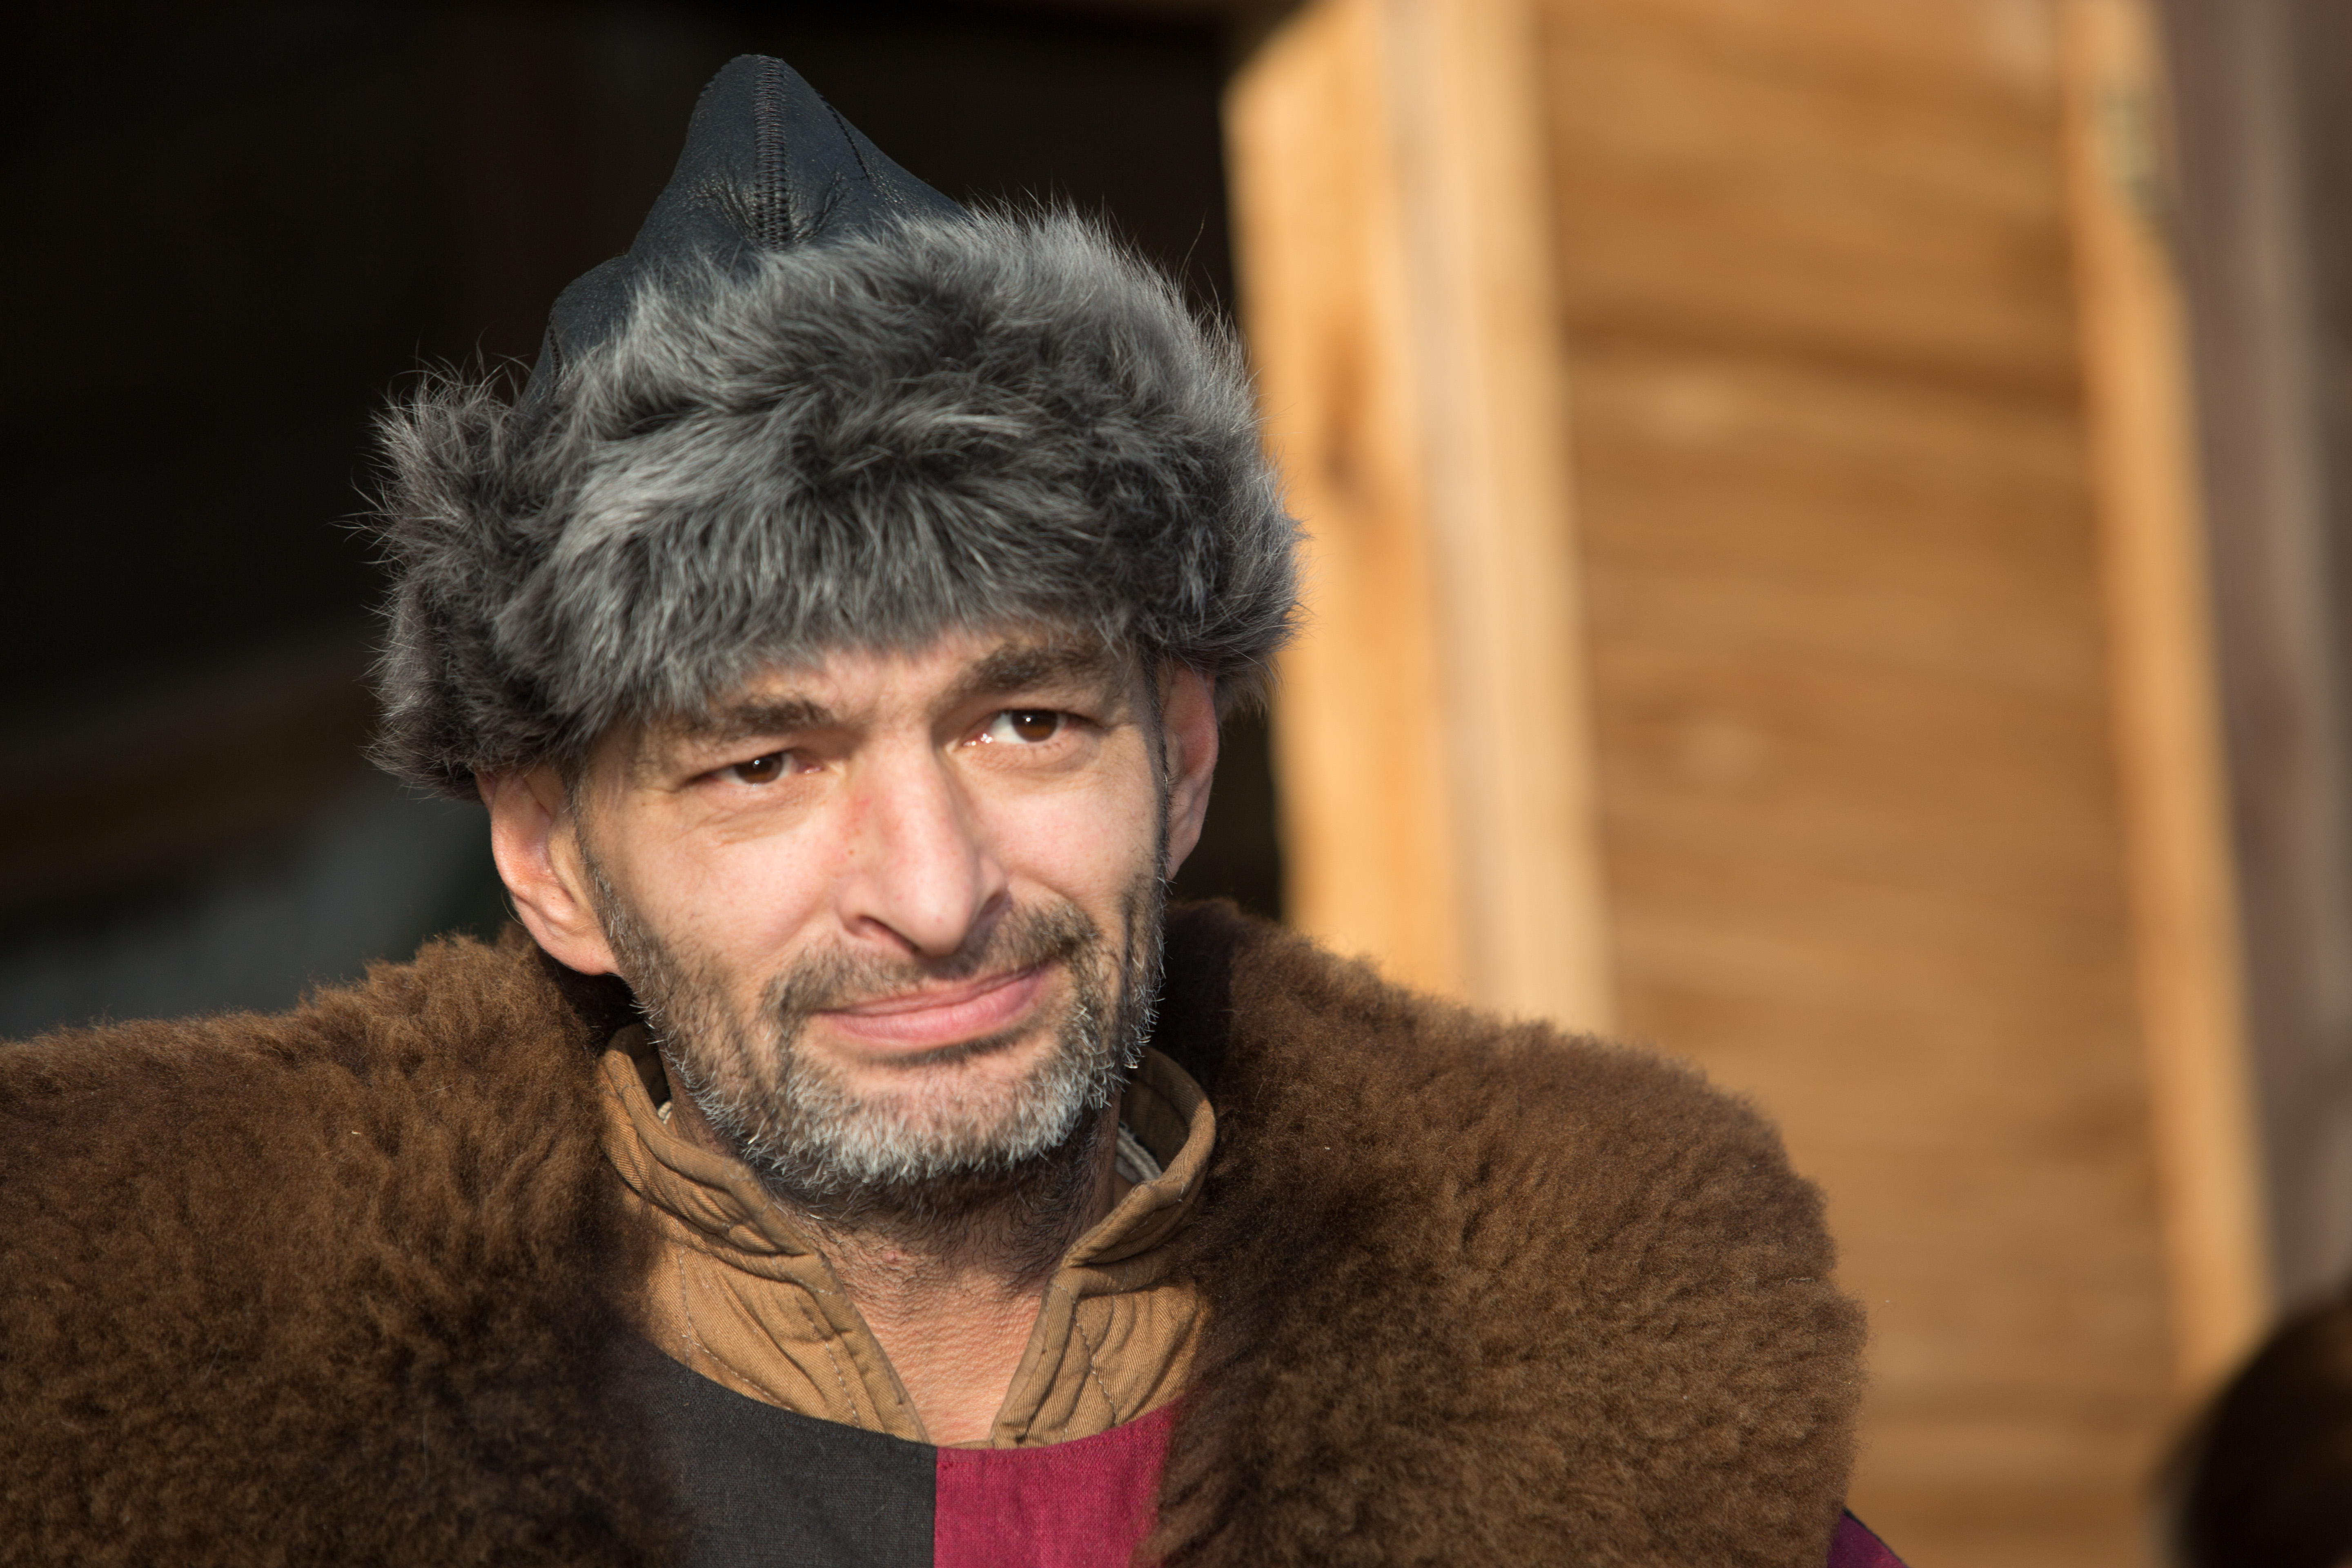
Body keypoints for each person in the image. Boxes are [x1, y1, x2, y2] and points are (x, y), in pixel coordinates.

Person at [0, 55, 1898, 1568]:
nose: (931, 891)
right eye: (765, 762)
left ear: (1182, 757)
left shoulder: (1615, 1458)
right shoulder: (175, 1469)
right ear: (552, 860)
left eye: (1024, 723)